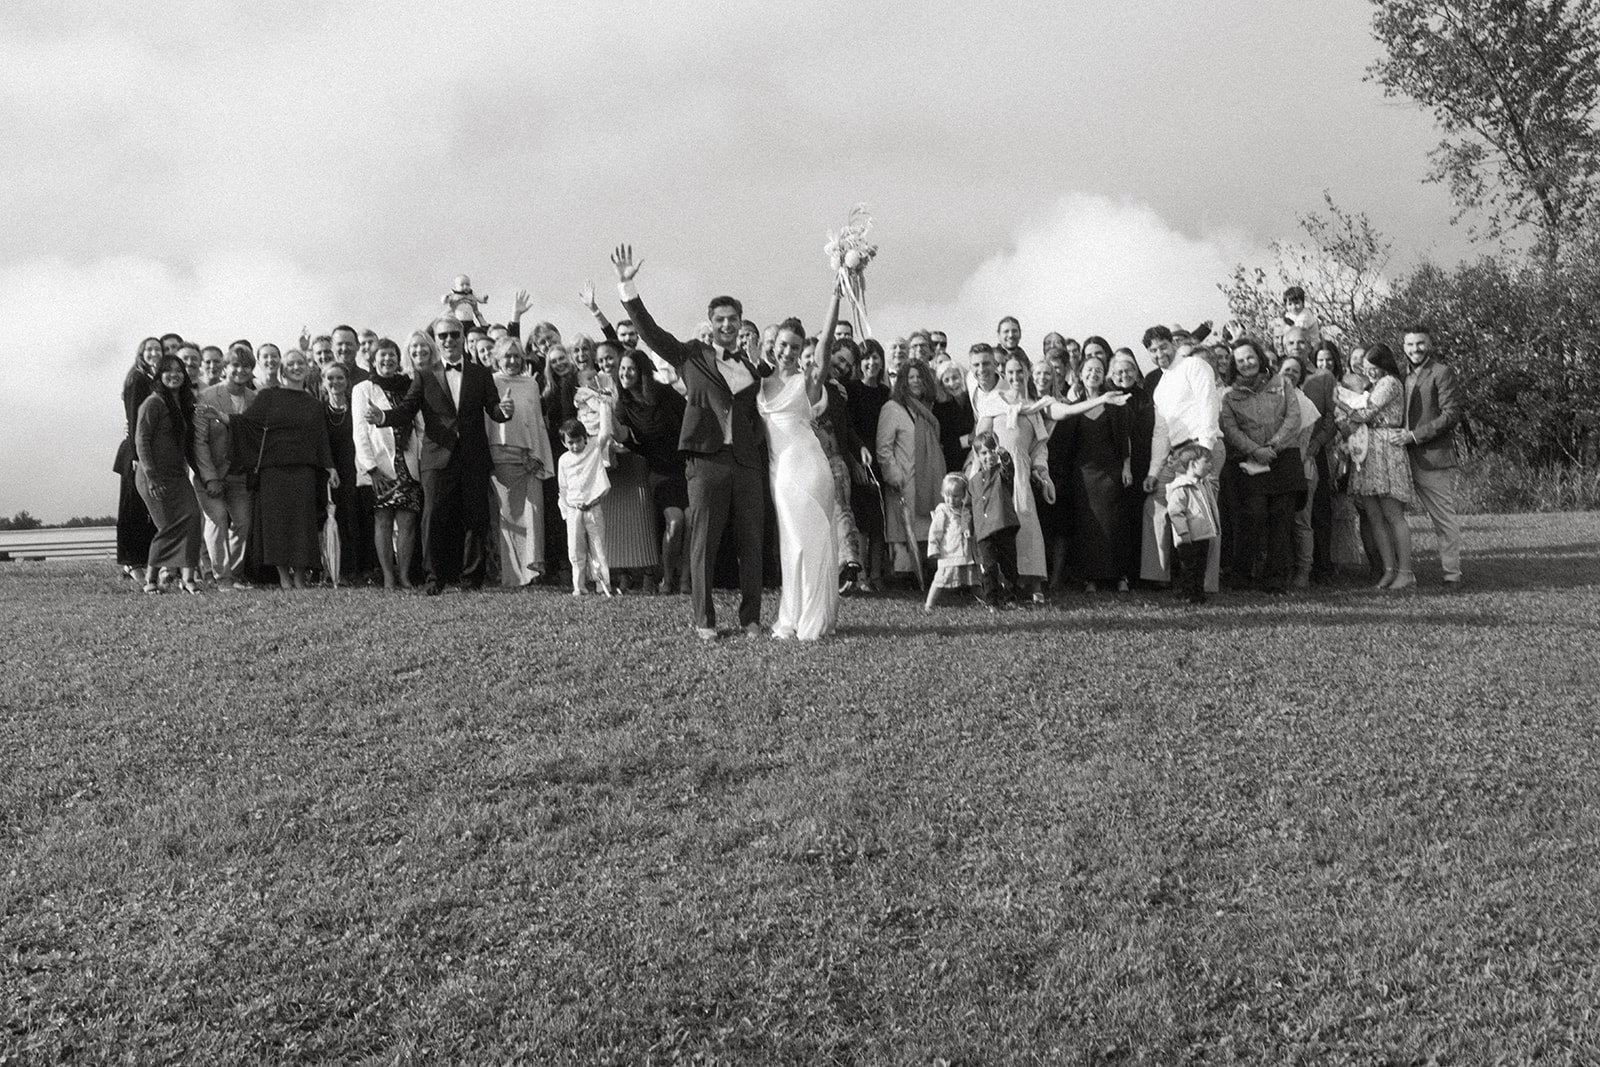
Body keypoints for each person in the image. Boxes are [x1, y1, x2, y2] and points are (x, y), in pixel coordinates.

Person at [612, 244, 768, 640]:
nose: (727, 325)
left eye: (733, 319)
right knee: (703, 543)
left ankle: (751, 618)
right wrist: (628, 287)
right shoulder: (691, 355)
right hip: (705, 461)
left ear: (741, 323)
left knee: (751, 542)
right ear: (711, 323)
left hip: (747, 462)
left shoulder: (752, 366)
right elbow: (650, 333)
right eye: (720, 319)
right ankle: (704, 620)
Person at [366, 316, 514, 594]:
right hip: (436, 457)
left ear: (462, 338)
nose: (449, 340)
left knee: (475, 518)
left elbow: (494, 409)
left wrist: (504, 411)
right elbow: (407, 410)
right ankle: (434, 579)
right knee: (432, 519)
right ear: (437, 340)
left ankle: (471, 580)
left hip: (473, 456)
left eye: (454, 335)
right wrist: (383, 417)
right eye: (443, 336)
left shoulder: (480, 374)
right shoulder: (425, 374)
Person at [758, 294, 843, 640]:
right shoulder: (759, 383)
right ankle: (791, 615)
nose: (788, 351)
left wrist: (836, 294)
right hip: (779, 472)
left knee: (812, 543)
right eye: (783, 344)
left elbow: (826, 343)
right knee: (791, 544)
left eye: (795, 346)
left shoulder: (808, 380)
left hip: (809, 468)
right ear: (773, 345)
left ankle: (814, 617)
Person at [228, 349, 339, 589]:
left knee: (302, 526)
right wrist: (221, 416)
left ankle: (299, 576)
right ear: (282, 370)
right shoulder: (268, 396)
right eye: (290, 364)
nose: (296, 368)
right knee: (276, 526)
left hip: (303, 472)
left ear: (307, 368)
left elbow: (321, 437)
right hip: (273, 472)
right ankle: (284, 577)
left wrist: (330, 466)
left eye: (300, 363)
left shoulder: (313, 403)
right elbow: (246, 423)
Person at [1219, 338, 1304, 593]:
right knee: (1253, 516)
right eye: (1240, 360)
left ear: (1259, 358)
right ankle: (1242, 575)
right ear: (1234, 365)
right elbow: (1231, 429)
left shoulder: (1282, 383)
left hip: (1284, 457)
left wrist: (1274, 446)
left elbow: (1294, 417)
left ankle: (1276, 579)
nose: (1247, 363)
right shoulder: (1230, 396)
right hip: (1252, 462)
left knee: (1281, 518)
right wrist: (1255, 450)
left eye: (1250, 357)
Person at [1143, 339, 1223, 593]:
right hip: (1178, 452)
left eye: (1163, 347)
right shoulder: (1160, 387)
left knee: (1203, 516)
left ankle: (1204, 584)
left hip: (1202, 444)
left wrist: (1205, 449)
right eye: (1153, 350)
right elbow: (1161, 432)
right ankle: (1159, 575)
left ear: (1173, 345)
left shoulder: (1194, 365)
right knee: (1156, 503)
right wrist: (1153, 471)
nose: (1160, 353)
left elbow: (1208, 403)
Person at [1054, 352, 1132, 592]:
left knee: (1114, 523)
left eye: (1098, 369)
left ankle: (1120, 576)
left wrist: (1127, 467)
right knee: (1088, 525)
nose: (1093, 374)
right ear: (1080, 374)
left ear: (1104, 374)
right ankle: (1091, 577)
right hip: (1084, 476)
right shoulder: (1073, 407)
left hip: (1111, 472)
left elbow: (1124, 438)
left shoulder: (1115, 403)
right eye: (1089, 369)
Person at [1341, 342, 1416, 590]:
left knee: (1393, 514)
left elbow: (1364, 413)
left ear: (1384, 365)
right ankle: (1388, 569)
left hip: (1386, 449)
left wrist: (1338, 401)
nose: (1369, 371)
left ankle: (1405, 571)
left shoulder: (1389, 383)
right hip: (1368, 450)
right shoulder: (1372, 386)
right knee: (1374, 516)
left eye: (1373, 366)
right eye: (1366, 367)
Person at [614, 347, 689, 594]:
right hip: (659, 470)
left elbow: (689, 415)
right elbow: (623, 436)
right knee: (675, 522)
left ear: (642, 372)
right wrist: (604, 410)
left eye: (631, 369)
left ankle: (686, 579)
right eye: (622, 368)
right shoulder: (623, 406)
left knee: (692, 521)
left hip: (686, 465)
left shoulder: (664, 393)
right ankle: (667, 578)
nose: (625, 373)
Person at [353, 337, 423, 591]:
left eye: (392, 354)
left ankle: (404, 576)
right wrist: (370, 468)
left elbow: (421, 426)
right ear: (373, 360)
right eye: (382, 355)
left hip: (408, 463)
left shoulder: (410, 385)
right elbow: (360, 431)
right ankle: (388, 577)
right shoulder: (363, 389)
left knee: (407, 522)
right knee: (383, 521)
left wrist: (421, 458)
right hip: (380, 466)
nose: (388, 359)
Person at [488, 337, 554, 588]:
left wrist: (537, 456)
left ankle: (533, 571)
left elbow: (537, 422)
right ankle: (513, 576)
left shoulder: (531, 384)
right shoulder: (491, 382)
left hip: (529, 459)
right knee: (509, 517)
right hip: (502, 456)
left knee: (533, 514)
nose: (513, 361)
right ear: (498, 358)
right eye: (507, 356)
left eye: (517, 356)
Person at [134, 355, 204, 594]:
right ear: (159, 375)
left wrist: (202, 473)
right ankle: (151, 580)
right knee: (168, 527)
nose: (174, 375)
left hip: (177, 475)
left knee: (192, 518)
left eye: (178, 370)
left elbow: (187, 446)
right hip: (153, 476)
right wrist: (152, 477)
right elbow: (141, 441)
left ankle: (188, 579)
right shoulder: (152, 403)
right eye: (168, 370)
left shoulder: (183, 404)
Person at [1400, 325, 1463, 585]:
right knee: (1395, 518)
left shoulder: (1441, 372)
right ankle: (1398, 571)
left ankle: (1452, 574)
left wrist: (1415, 436)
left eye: (1420, 343)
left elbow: (1451, 414)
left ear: (1430, 344)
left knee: (1443, 519)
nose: (1415, 349)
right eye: (1410, 344)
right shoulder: (1400, 374)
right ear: (1404, 347)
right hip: (1400, 457)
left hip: (1431, 457)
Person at [193, 345, 257, 588]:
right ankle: (223, 579)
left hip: (239, 475)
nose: (241, 370)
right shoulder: (207, 397)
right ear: (225, 368)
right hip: (211, 473)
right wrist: (209, 477)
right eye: (235, 365)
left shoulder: (254, 399)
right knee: (217, 519)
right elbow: (199, 441)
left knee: (242, 522)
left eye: (247, 366)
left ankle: (235, 574)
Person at [876, 359, 944, 578]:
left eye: (920, 377)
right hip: (904, 481)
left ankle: (926, 573)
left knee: (927, 529)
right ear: (903, 381)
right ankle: (904, 574)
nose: (915, 381)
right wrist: (893, 474)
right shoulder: (892, 408)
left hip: (928, 481)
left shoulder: (927, 410)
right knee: (904, 531)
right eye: (910, 377)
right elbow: (883, 448)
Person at [320, 362, 374, 584]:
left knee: (360, 518)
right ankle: (339, 570)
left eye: (340, 378)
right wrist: (329, 467)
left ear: (348, 381)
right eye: (330, 378)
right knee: (339, 519)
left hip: (357, 468)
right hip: (331, 472)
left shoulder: (357, 406)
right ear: (323, 382)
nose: (335, 382)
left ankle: (365, 569)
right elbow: (319, 442)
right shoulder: (319, 410)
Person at [115, 337, 161, 583]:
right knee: (132, 511)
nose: (154, 353)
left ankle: (139, 561)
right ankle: (131, 563)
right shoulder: (138, 379)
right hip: (135, 455)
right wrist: (136, 456)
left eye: (157, 349)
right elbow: (134, 419)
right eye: (149, 349)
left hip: (148, 452)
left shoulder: (152, 379)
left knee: (146, 512)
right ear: (141, 353)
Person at [1108, 351, 1154, 588]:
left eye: (1129, 371)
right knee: (1118, 520)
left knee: (1137, 518)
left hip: (1142, 462)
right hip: (1116, 464)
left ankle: (1137, 573)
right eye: (1119, 372)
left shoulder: (1145, 397)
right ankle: (1119, 573)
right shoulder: (1110, 396)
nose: (1124, 375)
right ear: (1112, 375)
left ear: (1136, 373)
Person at [556, 418, 612, 597]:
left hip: (593, 508)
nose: (575, 446)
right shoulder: (563, 460)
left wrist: (604, 404)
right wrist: (566, 512)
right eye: (570, 442)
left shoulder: (594, 450)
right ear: (564, 443)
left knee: (598, 549)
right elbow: (563, 488)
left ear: (585, 438)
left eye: (578, 441)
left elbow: (605, 433)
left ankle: (603, 587)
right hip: (573, 510)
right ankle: (579, 587)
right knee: (575, 551)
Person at [969, 430, 1020, 611]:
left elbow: (1009, 469)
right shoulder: (973, 481)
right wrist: (966, 525)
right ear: (977, 456)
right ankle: (991, 600)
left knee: (1008, 564)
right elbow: (968, 506)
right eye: (984, 453)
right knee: (988, 566)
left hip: (1003, 525)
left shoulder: (1001, 473)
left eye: (991, 451)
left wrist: (1004, 456)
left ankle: (1010, 597)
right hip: (984, 531)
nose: (988, 456)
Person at [1165, 442, 1219, 604]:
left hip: (1203, 535)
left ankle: (1198, 592)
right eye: (1206, 462)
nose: (1210, 466)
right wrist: (1183, 532)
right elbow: (1175, 512)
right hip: (1188, 537)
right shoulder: (1181, 488)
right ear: (1193, 464)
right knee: (1189, 566)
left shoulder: (1203, 485)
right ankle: (1187, 593)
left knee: (1201, 566)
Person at [923, 472, 978, 613]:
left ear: (963, 495)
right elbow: (935, 531)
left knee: (973, 578)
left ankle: (986, 600)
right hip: (949, 552)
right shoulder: (943, 511)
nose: (951, 500)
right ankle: (929, 604)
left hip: (965, 551)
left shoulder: (965, 511)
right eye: (947, 495)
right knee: (941, 579)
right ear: (942, 494)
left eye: (955, 496)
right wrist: (933, 548)